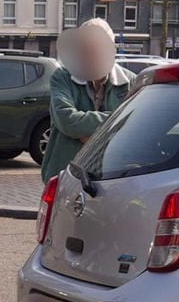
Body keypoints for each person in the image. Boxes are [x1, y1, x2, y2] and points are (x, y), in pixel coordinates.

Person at [40, 17, 133, 183]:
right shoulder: (63, 77)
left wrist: (87, 134)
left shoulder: (130, 82)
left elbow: (136, 125)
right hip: (64, 175)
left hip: (112, 178)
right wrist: (116, 119)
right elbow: (66, 120)